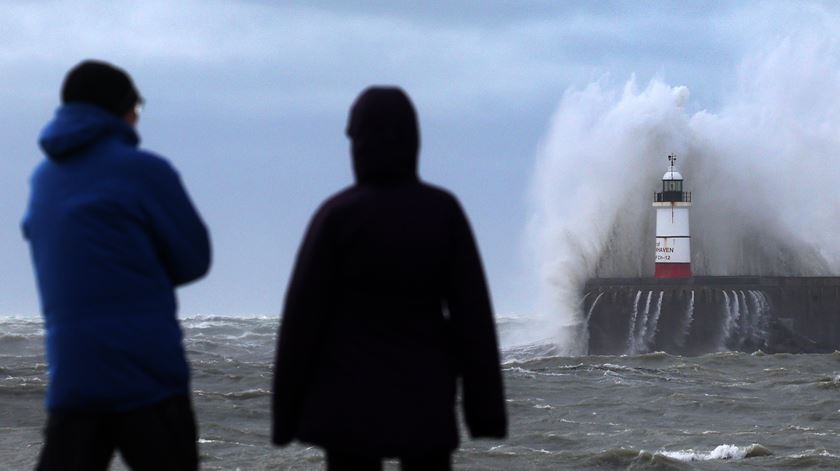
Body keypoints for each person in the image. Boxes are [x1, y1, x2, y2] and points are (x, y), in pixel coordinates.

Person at [272, 86, 507, 470]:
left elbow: (300, 323)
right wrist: (486, 415)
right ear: (413, 141)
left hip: (349, 406)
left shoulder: (336, 217)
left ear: (360, 144)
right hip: (425, 401)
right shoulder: (442, 213)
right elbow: (473, 320)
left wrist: (285, 419)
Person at [22, 60, 211, 470]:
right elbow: (195, 259)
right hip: (146, 374)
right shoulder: (145, 171)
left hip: (73, 376)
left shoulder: (43, 180)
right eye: (136, 107)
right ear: (121, 109)